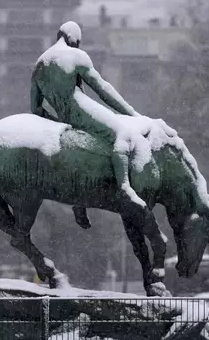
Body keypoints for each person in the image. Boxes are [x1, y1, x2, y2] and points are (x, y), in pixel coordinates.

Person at [31, 21, 147, 229]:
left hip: (65, 117)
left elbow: (36, 109)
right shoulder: (76, 57)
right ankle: (124, 189)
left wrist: (59, 123)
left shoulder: (40, 65)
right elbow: (102, 89)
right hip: (82, 110)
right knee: (123, 133)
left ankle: (79, 202)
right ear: (74, 39)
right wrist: (132, 114)